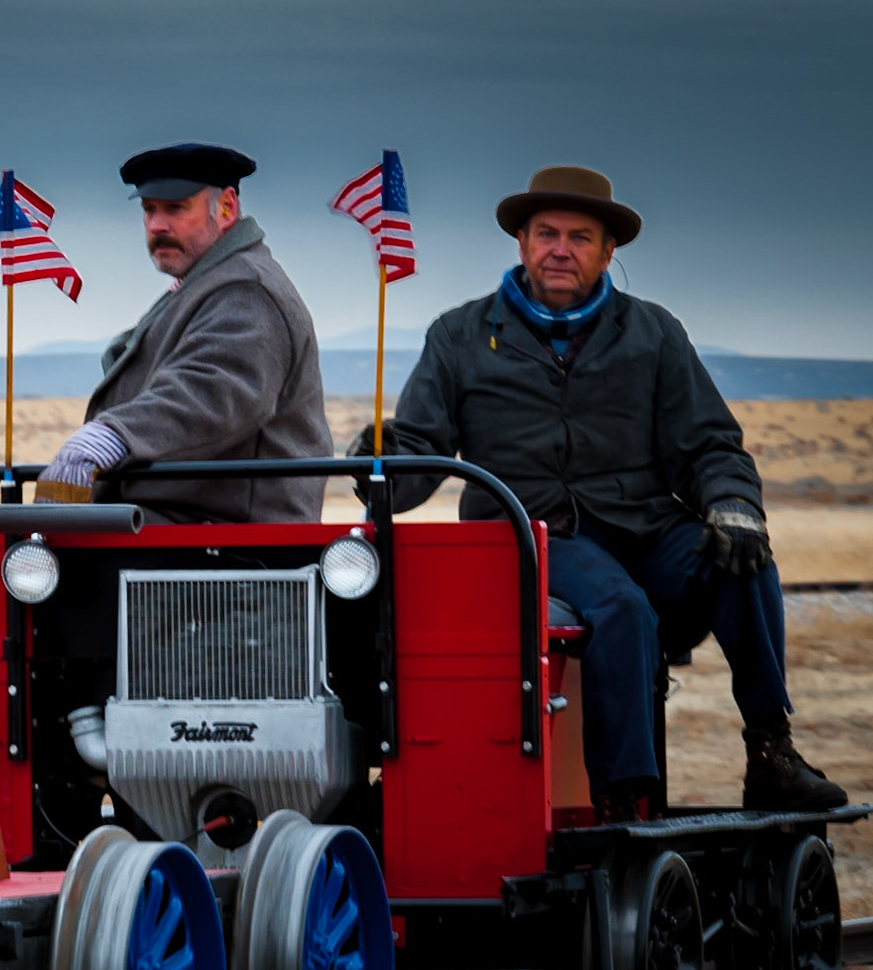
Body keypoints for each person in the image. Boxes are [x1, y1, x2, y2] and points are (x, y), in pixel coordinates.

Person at [356, 165, 846, 821]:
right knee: (621, 609)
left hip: (644, 526)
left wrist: (736, 505)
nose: (561, 249)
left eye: (580, 237)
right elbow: (417, 454)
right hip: (535, 535)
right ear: (523, 243)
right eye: (547, 234)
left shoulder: (655, 333)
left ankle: (772, 754)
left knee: (744, 562)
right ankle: (623, 800)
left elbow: (708, 445)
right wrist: (378, 459)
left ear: (609, 251)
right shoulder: (460, 337)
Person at [36, 142, 330, 522]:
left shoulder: (246, 289)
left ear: (226, 208)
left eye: (175, 208)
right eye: (149, 210)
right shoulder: (206, 284)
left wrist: (109, 437)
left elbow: (211, 392)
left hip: (228, 540)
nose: (157, 225)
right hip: (177, 523)